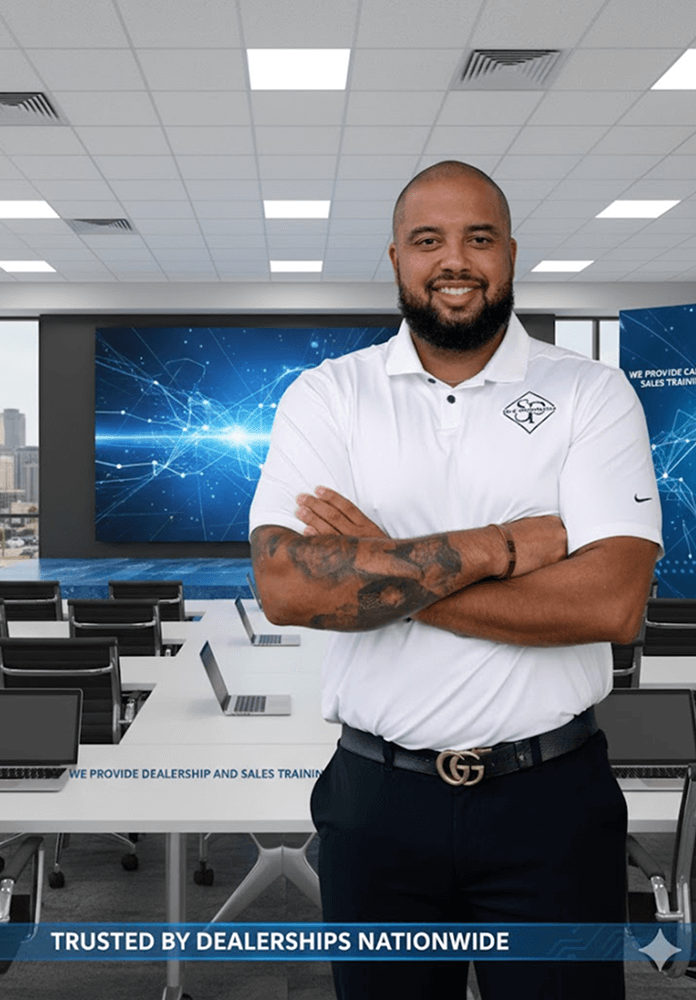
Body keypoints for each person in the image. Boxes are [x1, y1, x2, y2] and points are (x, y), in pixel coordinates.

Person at [248, 160, 662, 1000]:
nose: (456, 259)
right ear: (396, 258)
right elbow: (290, 586)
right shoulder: (328, 397)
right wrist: (502, 545)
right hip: (378, 805)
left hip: (551, 803)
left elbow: (613, 605)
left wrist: (385, 566)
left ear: (511, 253)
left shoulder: (592, 394)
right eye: (427, 239)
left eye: (479, 237)